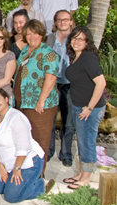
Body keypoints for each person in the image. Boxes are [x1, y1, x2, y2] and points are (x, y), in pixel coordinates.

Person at [0, 88, 50, 203]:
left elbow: (23, 148)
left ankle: (40, 185)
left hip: (26, 162)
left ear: (6, 99)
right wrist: (1, 166)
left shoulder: (17, 117)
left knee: (11, 197)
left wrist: (17, 169)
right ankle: (16, 184)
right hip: (7, 162)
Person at [13, 19, 59, 172]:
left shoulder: (48, 53)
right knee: (25, 139)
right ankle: (26, 171)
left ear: (42, 34)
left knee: (39, 140)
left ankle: (38, 175)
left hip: (39, 105)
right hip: (22, 103)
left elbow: (51, 78)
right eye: (28, 34)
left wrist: (41, 100)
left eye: (35, 33)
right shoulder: (25, 50)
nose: (32, 37)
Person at [63, 27, 106, 190]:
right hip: (79, 106)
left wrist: (89, 107)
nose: (76, 41)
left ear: (87, 42)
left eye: (80, 39)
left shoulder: (88, 57)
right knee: (81, 141)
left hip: (89, 109)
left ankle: (86, 178)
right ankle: (81, 173)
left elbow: (101, 83)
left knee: (87, 141)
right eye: (74, 38)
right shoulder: (76, 57)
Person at [46, 10, 74, 167]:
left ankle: (66, 154)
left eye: (65, 19)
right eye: (59, 20)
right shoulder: (49, 39)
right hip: (52, 84)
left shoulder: (76, 39)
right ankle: (49, 151)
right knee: (50, 119)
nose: (62, 22)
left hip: (70, 84)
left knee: (68, 122)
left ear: (71, 21)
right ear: (55, 22)